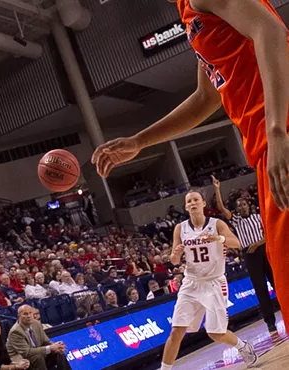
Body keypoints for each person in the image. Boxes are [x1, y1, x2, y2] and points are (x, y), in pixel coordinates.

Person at [92, 0, 289, 322]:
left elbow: (271, 29)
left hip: (280, 133)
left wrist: (278, 130)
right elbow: (205, 98)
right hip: (267, 141)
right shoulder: (189, 12)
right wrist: (140, 141)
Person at [159, 189, 256, 369]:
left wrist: (218, 238)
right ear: (186, 207)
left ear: (203, 203)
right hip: (191, 283)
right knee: (176, 331)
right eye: (189, 201)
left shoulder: (216, 223)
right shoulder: (180, 228)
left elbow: (237, 243)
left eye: (196, 200)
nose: (193, 203)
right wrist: (176, 254)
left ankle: (243, 346)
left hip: (214, 282)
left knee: (215, 333)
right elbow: (173, 260)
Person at [213, 175, 277, 332]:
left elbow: (269, 234)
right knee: (260, 288)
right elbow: (221, 208)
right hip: (249, 255)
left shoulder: (258, 217)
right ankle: (270, 322)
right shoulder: (236, 220)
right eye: (239, 206)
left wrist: (257, 244)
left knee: (277, 282)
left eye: (243, 205)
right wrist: (217, 190)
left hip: (264, 250)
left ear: (248, 206)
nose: (242, 207)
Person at [6, 305, 69, 370]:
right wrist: (50, 348)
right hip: (22, 359)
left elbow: (46, 341)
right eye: (25, 314)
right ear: (19, 316)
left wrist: (56, 346)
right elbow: (26, 352)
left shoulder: (36, 323)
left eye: (30, 313)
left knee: (58, 352)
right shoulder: (16, 331)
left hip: (37, 354)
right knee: (38, 357)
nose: (29, 316)